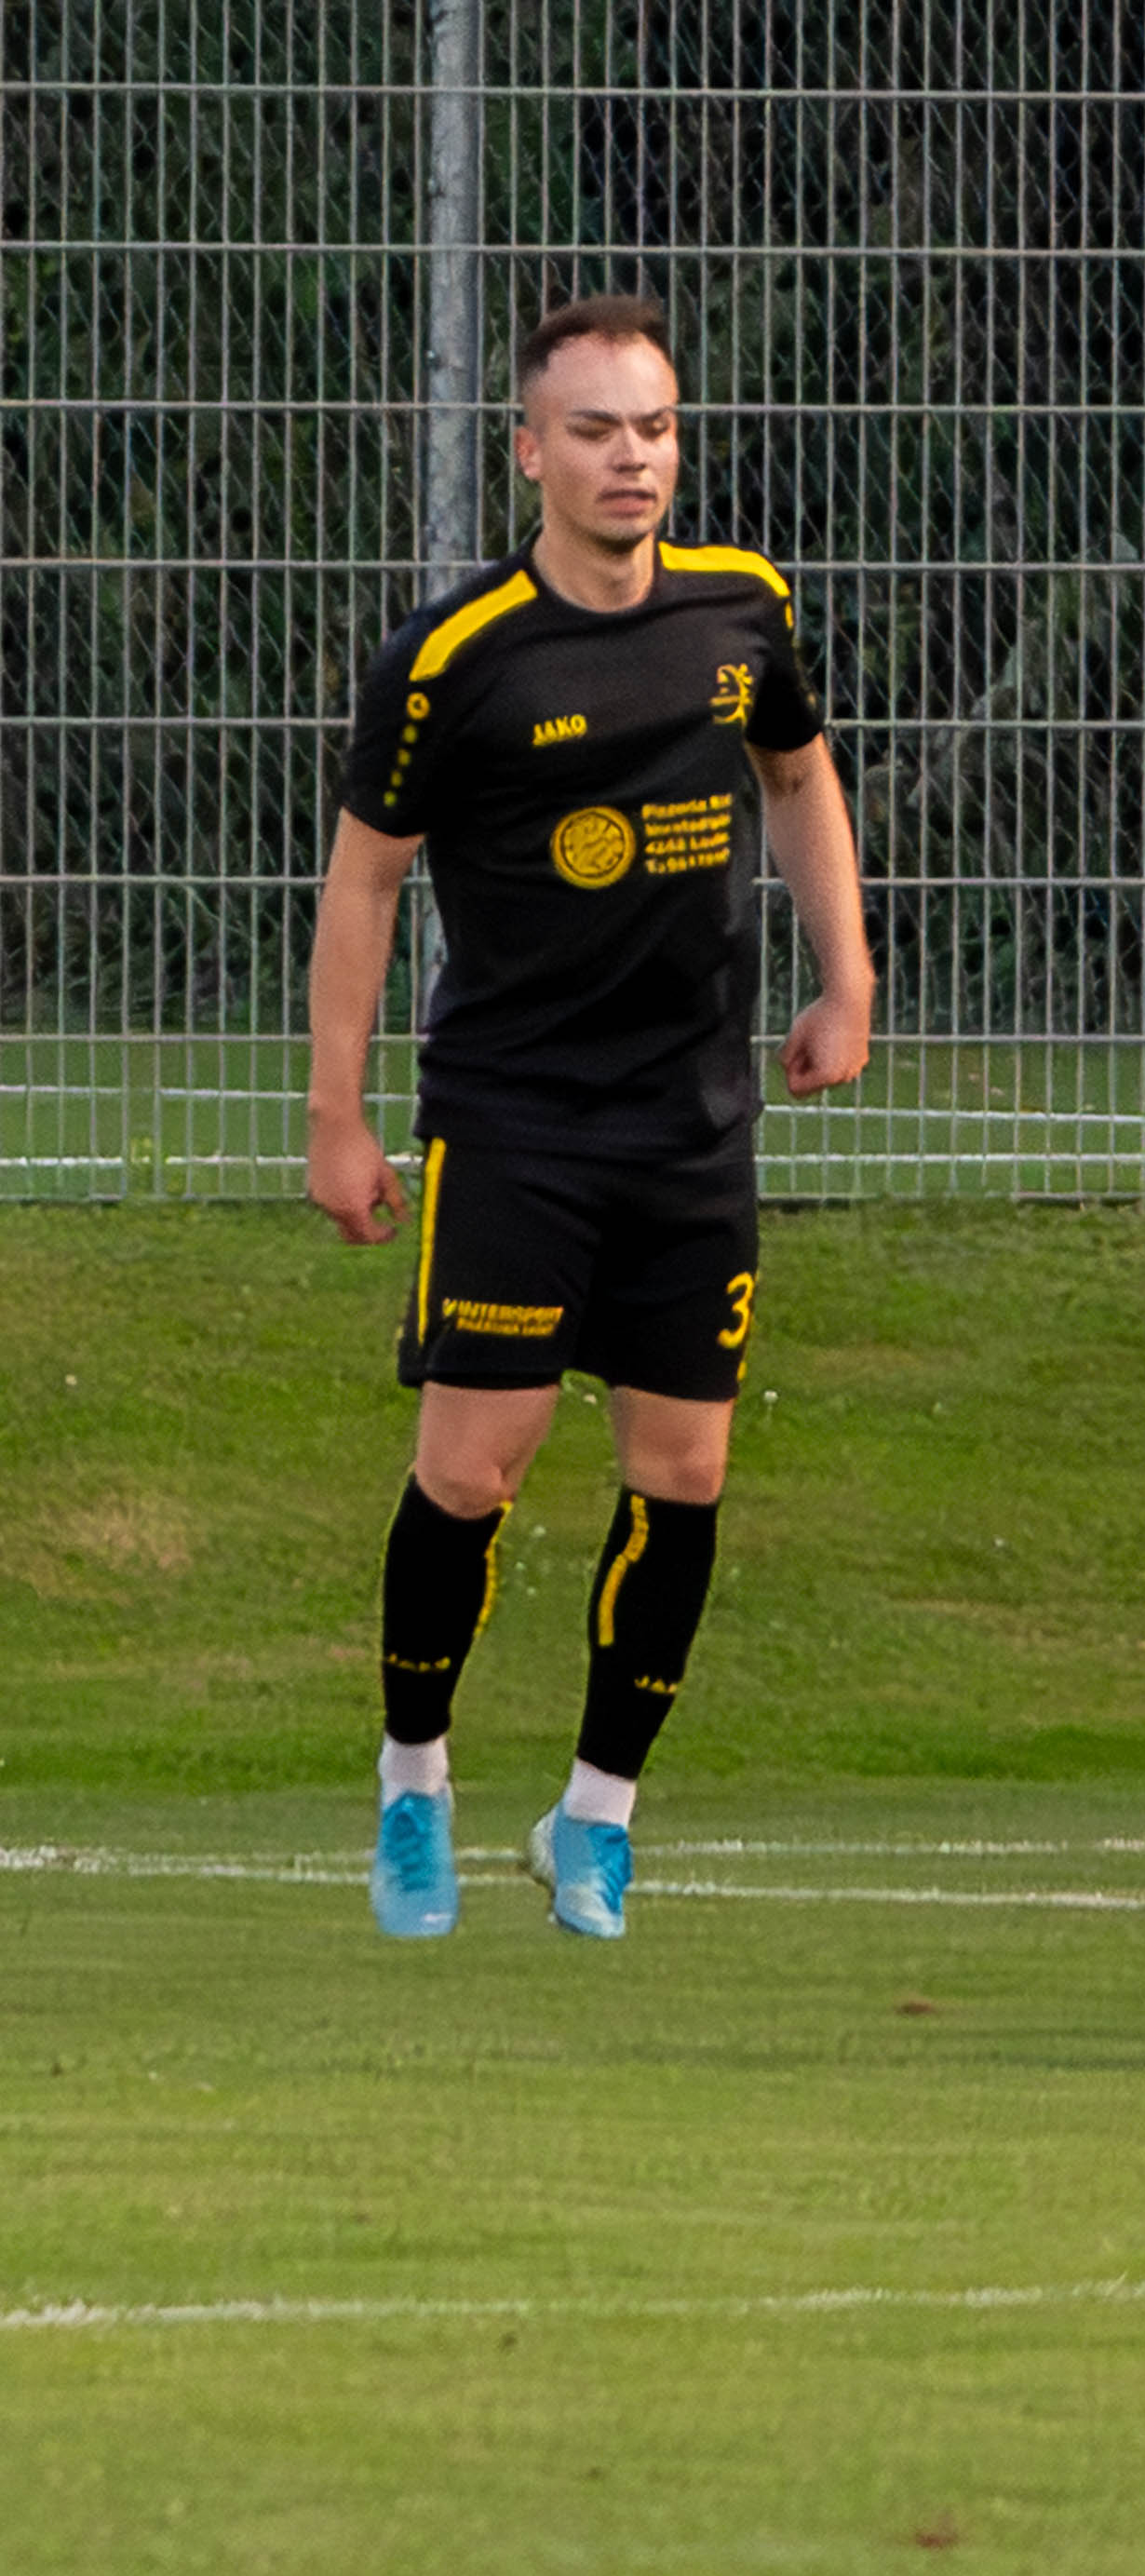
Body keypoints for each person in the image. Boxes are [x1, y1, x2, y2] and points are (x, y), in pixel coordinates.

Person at [307, 292, 874, 1943]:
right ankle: (414, 1784)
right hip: (513, 1125)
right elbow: (363, 884)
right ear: (528, 451)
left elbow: (797, 776)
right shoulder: (452, 659)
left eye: (655, 426)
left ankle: (595, 1820)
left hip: (691, 1127)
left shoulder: (742, 606)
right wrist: (338, 1114)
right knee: (471, 1467)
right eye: (596, 429)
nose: (633, 456)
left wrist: (847, 975)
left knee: (683, 1471)